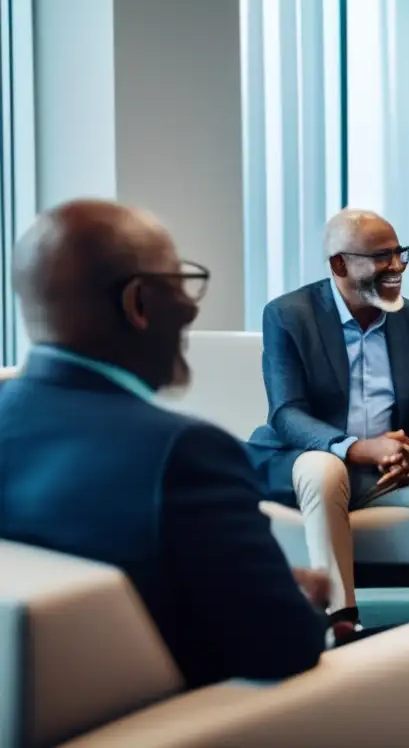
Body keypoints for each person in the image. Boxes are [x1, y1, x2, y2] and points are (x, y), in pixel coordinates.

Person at [0, 200, 328, 689]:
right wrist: (299, 597)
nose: (192, 306)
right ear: (138, 303)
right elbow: (285, 647)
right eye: (179, 283)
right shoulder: (185, 454)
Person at [246, 208, 409, 642]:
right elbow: (286, 412)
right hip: (315, 464)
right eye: (381, 257)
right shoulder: (289, 315)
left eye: (400, 254)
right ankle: (341, 620)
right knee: (323, 466)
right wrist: (355, 448)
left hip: (395, 469)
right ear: (339, 264)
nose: (396, 267)